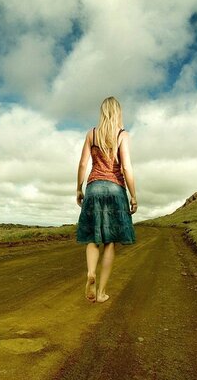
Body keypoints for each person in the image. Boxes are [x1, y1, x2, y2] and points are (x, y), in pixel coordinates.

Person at [76, 96, 137, 303]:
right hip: (115, 189)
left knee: (93, 238)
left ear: (102, 113)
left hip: (93, 188)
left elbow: (83, 164)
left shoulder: (91, 134)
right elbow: (126, 166)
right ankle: (101, 292)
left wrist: (78, 189)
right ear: (118, 113)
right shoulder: (122, 135)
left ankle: (90, 272)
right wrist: (134, 195)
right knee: (110, 242)